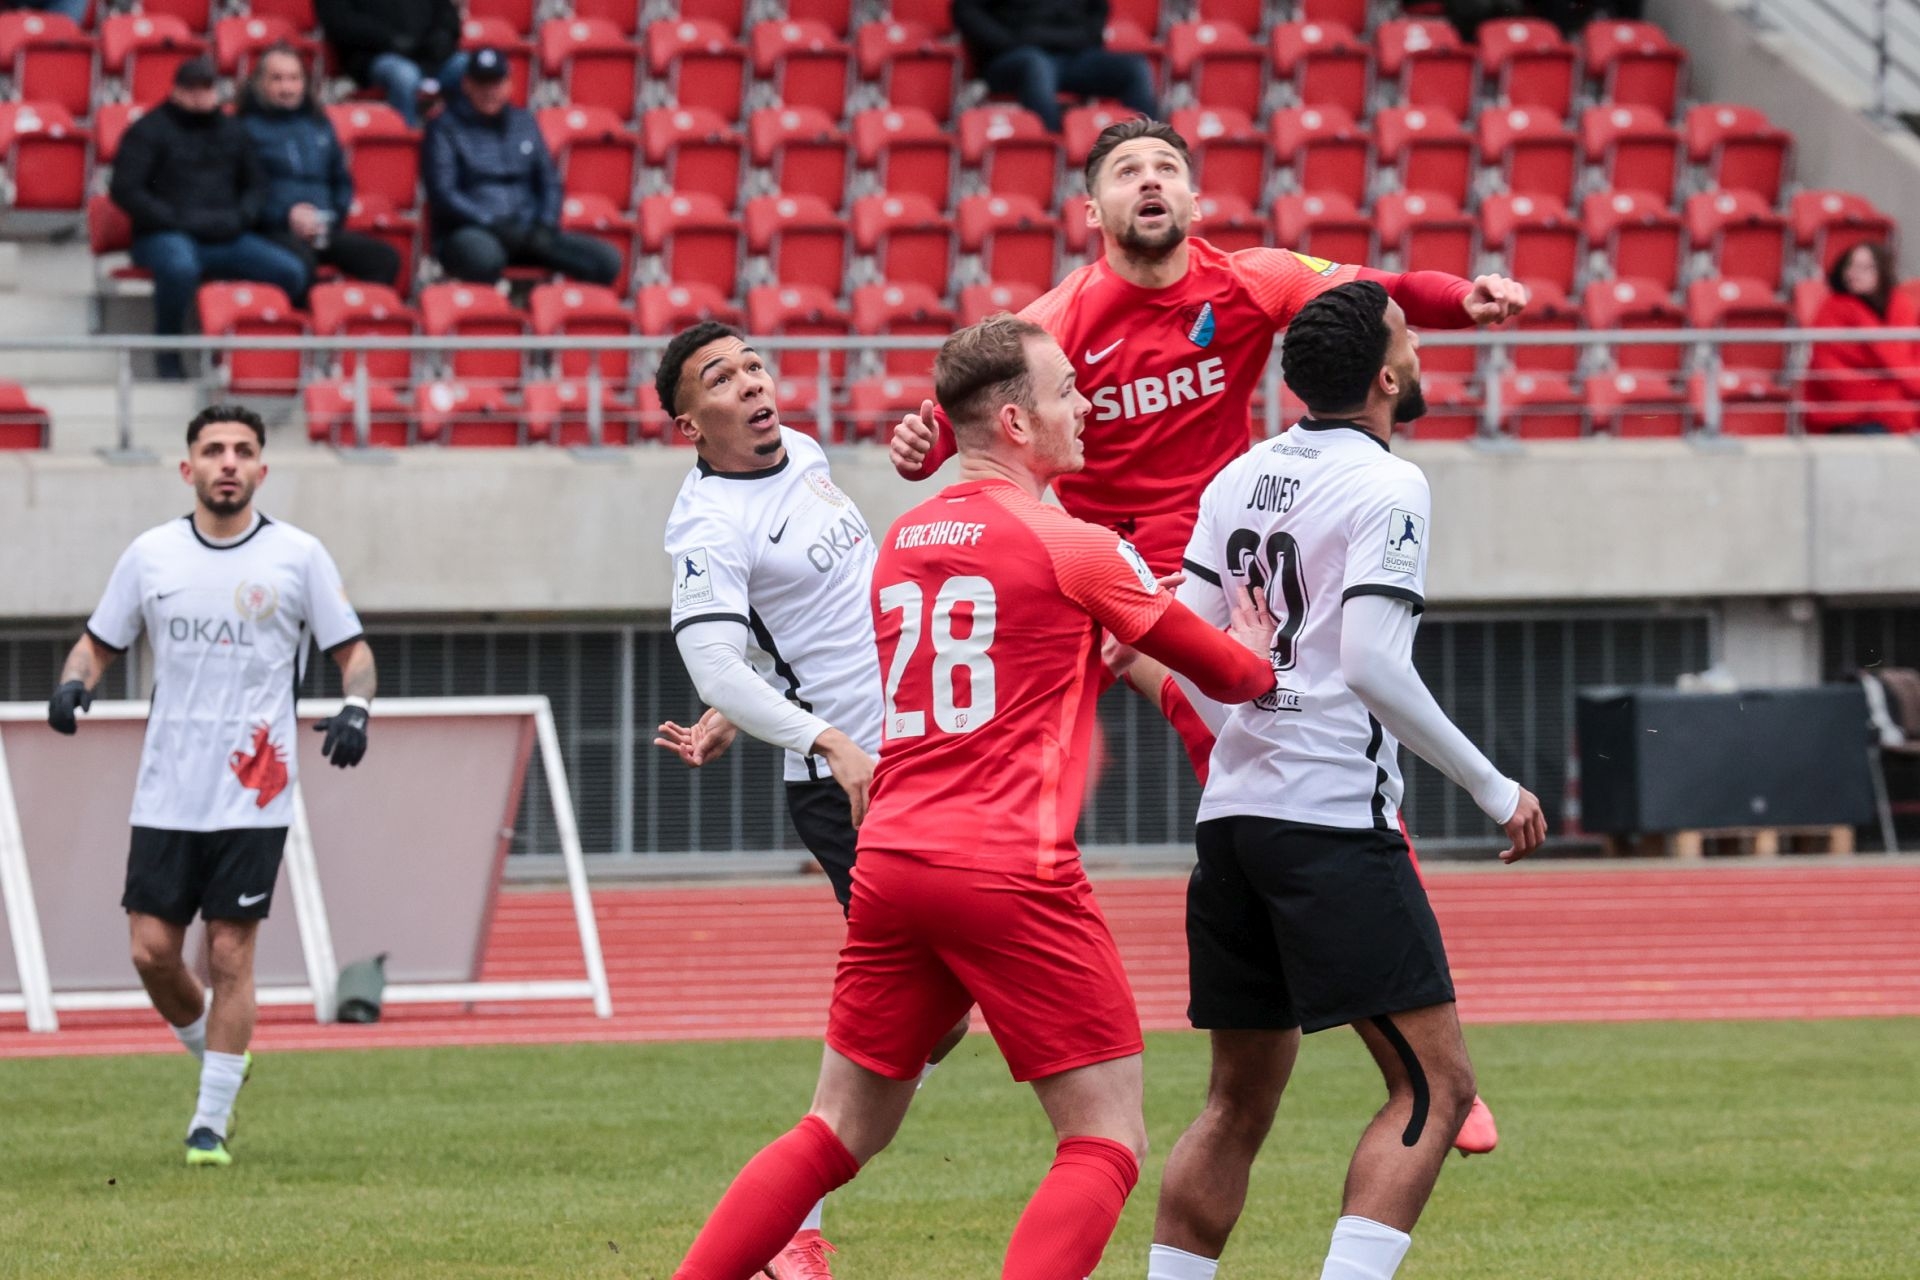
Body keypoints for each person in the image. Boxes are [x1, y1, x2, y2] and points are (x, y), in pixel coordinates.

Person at [890, 117, 1523, 1154]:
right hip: (1089, 568)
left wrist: (1464, 298)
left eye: (1166, 168)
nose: (1150, 180)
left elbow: (1374, 295)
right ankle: (924, 992)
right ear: (1090, 211)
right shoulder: (1055, 321)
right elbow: (961, 414)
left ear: (1195, 201)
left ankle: (1421, 1059)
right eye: (1126, 171)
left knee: (1298, 759)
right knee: (981, 766)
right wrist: (919, 440)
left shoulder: (1250, 279)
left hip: (1213, 575)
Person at [669, 315, 1279, 1280]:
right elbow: (1235, 678)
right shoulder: (1077, 545)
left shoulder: (904, 536)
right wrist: (1255, 639)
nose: (1087, 406)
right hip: (1005, 863)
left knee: (835, 1128)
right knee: (1105, 1136)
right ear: (1017, 422)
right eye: (1067, 391)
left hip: (893, 853)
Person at [1141, 282, 1547, 1280]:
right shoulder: (1389, 485)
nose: (1418, 352)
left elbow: (1183, 647)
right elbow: (1370, 663)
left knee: (1234, 1104)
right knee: (1435, 1089)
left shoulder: (1238, 474)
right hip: (1328, 820)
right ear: (1386, 377)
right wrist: (1493, 786)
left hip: (1232, 818)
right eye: (1409, 339)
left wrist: (1253, 719)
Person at [652, 321, 970, 1280]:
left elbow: (791, 627)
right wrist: (819, 736)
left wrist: (739, 710)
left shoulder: (803, 451)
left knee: (939, 1017)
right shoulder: (706, 525)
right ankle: (792, 1226)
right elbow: (714, 656)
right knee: (913, 1008)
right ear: (688, 425)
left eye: (754, 365)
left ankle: (793, 1217)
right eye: (722, 378)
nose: (752, 383)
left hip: (916, 752)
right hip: (851, 790)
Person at [48, 404, 377, 1169]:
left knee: (229, 953)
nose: (227, 462)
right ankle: (218, 1054)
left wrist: (356, 708)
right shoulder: (151, 555)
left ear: (261, 468)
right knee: (151, 953)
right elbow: (97, 643)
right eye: (213, 449)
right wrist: (71, 684)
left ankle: (210, 1124)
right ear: (187, 467)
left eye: (242, 450)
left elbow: (353, 652)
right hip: (167, 786)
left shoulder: (298, 556)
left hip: (255, 789)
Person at [109, 59, 309, 380]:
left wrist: (242, 217)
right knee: (179, 267)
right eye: (192, 88)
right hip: (165, 233)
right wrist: (172, 219)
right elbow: (125, 189)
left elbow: (257, 185)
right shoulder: (149, 130)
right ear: (176, 90)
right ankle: (168, 349)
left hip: (226, 234)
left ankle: (249, 355)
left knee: (291, 272)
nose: (200, 95)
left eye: (206, 88)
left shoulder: (233, 130)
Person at [422, 48, 622, 288]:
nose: (489, 91)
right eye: (481, 83)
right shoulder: (443, 127)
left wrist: (545, 224)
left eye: (495, 83)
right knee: (483, 257)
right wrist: (489, 222)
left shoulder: (524, 122)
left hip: (527, 231)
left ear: (509, 84)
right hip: (470, 230)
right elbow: (443, 193)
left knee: (604, 260)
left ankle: (565, 309)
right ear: (467, 84)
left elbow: (549, 182)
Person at [239, 44, 403, 293]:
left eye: (294, 79)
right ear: (260, 84)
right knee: (301, 264)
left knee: (384, 258)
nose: (287, 88)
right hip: (272, 232)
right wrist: (286, 216)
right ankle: (315, 315)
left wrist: (331, 216)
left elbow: (341, 181)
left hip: (323, 228)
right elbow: (243, 191)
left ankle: (357, 315)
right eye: (277, 79)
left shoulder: (320, 125)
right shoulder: (244, 130)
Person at [952, 0, 1157, 133]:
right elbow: (965, 10)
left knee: (1134, 68)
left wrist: (1085, 38)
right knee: (1037, 65)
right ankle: (1055, 152)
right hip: (1013, 57)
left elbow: (1098, 11)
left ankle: (1146, 148)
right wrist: (1008, 42)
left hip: (1073, 55)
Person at [1804, 240, 1920, 435]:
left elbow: (1908, 360)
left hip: (1893, 408)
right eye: (1851, 265)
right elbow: (1830, 370)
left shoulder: (1901, 306)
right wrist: (1889, 397)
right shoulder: (1832, 310)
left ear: (1882, 272)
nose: (1855, 273)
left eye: (1866, 267)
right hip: (1849, 415)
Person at [315, 0, 460, 126]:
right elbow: (338, 21)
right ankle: (404, 140)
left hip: (428, 55)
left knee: (464, 66)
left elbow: (447, 15)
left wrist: (443, 35)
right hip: (373, 56)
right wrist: (388, 39)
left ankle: (458, 141)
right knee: (404, 76)